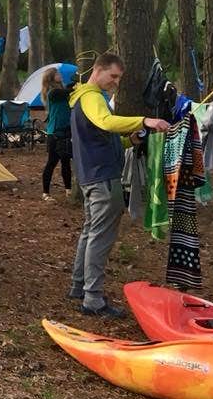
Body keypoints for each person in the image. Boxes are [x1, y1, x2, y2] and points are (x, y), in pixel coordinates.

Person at [67, 53, 169, 318]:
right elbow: (106, 123)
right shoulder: (91, 97)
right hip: (103, 179)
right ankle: (93, 300)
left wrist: (130, 141)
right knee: (100, 237)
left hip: (93, 175)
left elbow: (101, 137)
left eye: (118, 78)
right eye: (113, 76)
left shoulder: (83, 98)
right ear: (98, 70)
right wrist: (145, 120)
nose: (115, 83)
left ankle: (79, 287)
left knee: (90, 233)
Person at [41, 67, 72, 201]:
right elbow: (66, 92)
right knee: (52, 162)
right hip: (54, 133)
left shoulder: (62, 90)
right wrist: (76, 85)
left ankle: (69, 190)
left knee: (66, 162)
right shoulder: (52, 93)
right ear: (51, 77)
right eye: (57, 74)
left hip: (65, 130)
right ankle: (45, 193)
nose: (60, 75)